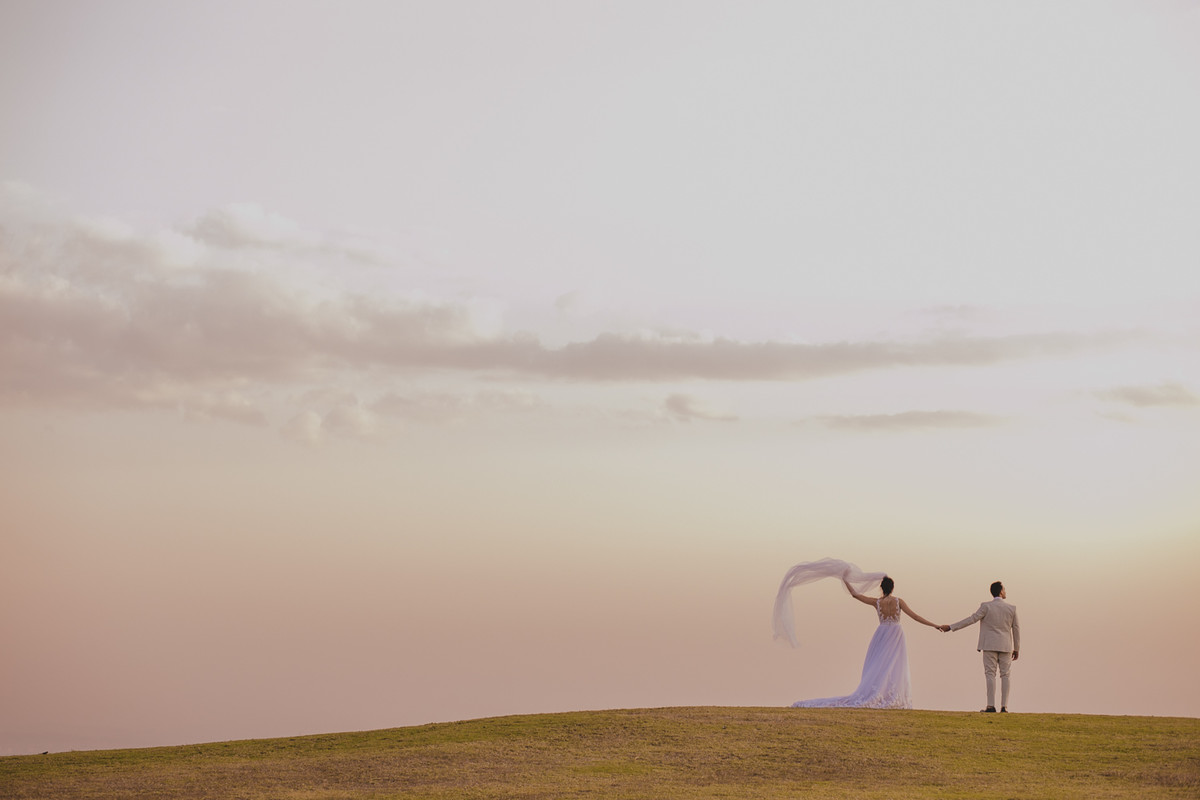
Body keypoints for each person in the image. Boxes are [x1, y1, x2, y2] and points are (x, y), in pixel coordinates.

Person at [789, 573, 944, 709]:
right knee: (894, 665)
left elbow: (855, 595)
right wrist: (935, 625)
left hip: (882, 633)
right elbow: (915, 616)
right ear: (892, 588)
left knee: (881, 664)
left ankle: (882, 693)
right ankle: (889, 695)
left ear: (881, 588)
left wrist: (845, 579)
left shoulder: (877, 602)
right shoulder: (898, 601)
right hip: (896, 634)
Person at [940, 581, 1020, 712]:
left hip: (989, 644)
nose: (1005, 591)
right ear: (1000, 591)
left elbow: (971, 619)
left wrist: (951, 627)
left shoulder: (986, 606)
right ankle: (1004, 707)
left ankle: (990, 706)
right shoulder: (1011, 608)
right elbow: (1016, 629)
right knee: (1005, 675)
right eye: (1004, 589)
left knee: (990, 674)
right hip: (1005, 645)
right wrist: (1017, 648)